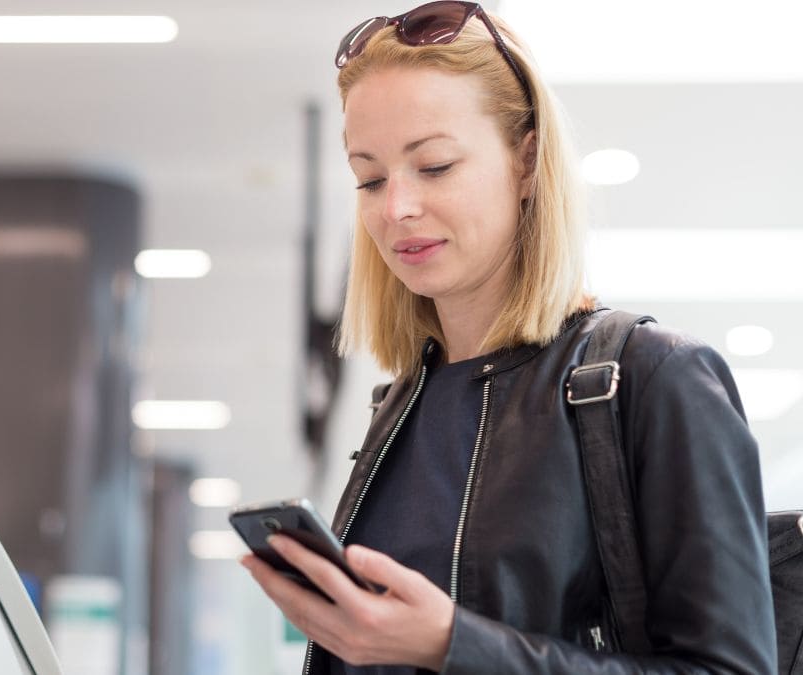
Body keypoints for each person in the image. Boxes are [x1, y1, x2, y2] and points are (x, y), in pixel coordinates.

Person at [239, 2, 777, 673]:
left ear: (526, 162)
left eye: (433, 165)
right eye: (370, 177)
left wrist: (452, 645)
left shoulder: (657, 376)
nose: (395, 207)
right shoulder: (402, 405)